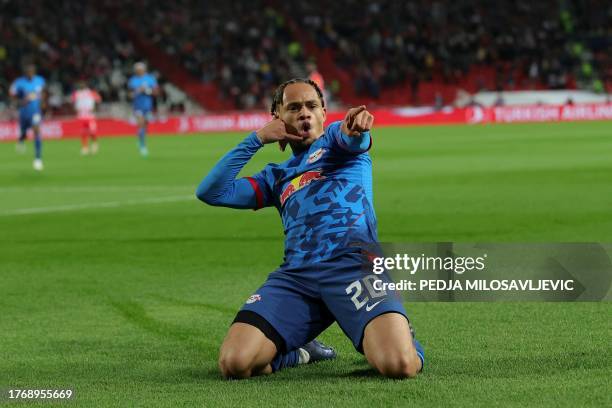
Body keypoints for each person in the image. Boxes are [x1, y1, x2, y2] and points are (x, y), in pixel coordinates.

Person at [196, 78, 424, 379]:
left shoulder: (335, 143)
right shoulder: (274, 178)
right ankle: (302, 352)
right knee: (235, 363)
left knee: (399, 365)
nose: (304, 113)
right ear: (277, 119)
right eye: (293, 108)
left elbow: (352, 137)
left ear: (323, 113)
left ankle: (404, 336)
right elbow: (211, 192)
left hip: (353, 268)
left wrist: (356, 127)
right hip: (297, 279)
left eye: (311, 106)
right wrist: (256, 139)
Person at [9, 64, 46, 171]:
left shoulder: (40, 80)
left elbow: (43, 92)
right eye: (28, 72)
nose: (30, 73)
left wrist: (43, 102)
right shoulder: (19, 82)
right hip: (24, 113)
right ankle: (21, 139)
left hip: (36, 112)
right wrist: (20, 100)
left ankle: (38, 159)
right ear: (25, 73)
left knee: (36, 131)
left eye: (32, 71)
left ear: (34, 72)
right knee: (24, 132)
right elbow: (12, 94)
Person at [127, 62, 158, 156]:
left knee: (144, 125)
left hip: (148, 106)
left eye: (140, 69)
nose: (138, 71)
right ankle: (143, 146)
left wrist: (148, 91)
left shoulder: (150, 79)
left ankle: (140, 138)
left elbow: (156, 92)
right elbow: (129, 94)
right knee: (141, 123)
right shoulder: (133, 80)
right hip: (138, 105)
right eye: (137, 70)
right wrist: (137, 91)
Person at [71, 81, 102, 155]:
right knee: (83, 132)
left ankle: (94, 144)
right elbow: (73, 102)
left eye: (83, 84)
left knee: (92, 131)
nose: (81, 85)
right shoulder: (76, 93)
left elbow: (99, 100)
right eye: (80, 84)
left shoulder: (91, 92)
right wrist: (75, 108)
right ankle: (85, 147)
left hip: (90, 116)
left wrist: (95, 108)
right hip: (81, 116)